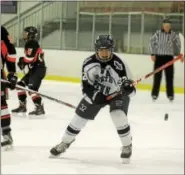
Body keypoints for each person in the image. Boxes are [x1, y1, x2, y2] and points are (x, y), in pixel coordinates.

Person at [50, 35, 136, 163]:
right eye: (101, 50)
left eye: (107, 50)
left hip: (117, 94)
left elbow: (131, 88)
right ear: (96, 50)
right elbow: (86, 88)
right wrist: (95, 96)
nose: (104, 53)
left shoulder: (120, 63)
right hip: (97, 94)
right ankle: (65, 143)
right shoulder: (88, 63)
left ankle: (127, 145)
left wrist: (129, 88)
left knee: (117, 115)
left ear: (112, 49)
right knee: (78, 118)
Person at [11, 26, 46, 115]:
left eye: (26, 33)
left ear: (30, 34)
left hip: (38, 70)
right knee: (20, 85)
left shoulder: (31, 43)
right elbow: (30, 59)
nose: (24, 34)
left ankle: (39, 108)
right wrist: (23, 62)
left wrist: (23, 61)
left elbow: (29, 58)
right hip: (34, 70)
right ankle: (22, 106)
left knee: (32, 89)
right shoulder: (31, 43)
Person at [149, 18, 182, 102]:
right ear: (163, 26)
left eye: (168, 26)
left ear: (170, 26)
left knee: (169, 77)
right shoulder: (158, 33)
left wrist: (180, 54)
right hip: (159, 57)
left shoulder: (173, 34)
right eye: (165, 25)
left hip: (169, 58)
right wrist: (153, 53)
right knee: (157, 77)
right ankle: (154, 95)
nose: (166, 27)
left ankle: (170, 95)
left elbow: (178, 44)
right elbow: (151, 42)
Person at [1, 25, 18, 149]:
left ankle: (7, 134)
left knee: (1, 105)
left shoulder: (1, 31)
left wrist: (12, 74)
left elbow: (10, 52)